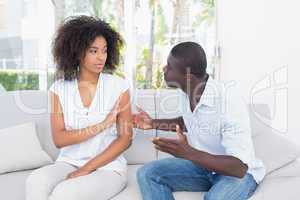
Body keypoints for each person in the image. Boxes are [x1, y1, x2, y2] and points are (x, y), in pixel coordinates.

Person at [134, 42, 265, 200]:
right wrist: (152, 123)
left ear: (188, 76)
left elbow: (239, 168)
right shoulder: (186, 91)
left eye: (169, 67)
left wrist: (189, 153)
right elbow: (190, 121)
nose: (164, 69)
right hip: (204, 167)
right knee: (147, 173)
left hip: (236, 174)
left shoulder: (227, 101)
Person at [26, 15, 133, 200]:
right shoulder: (58, 89)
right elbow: (60, 139)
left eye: (105, 50)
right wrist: (103, 124)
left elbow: (126, 139)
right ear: (77, 52)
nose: (101, 57)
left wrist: (87, 168)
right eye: (93, 51)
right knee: (35, 181)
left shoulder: (119, 86)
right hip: (69, 162)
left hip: (108, 168)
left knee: (65, 193)